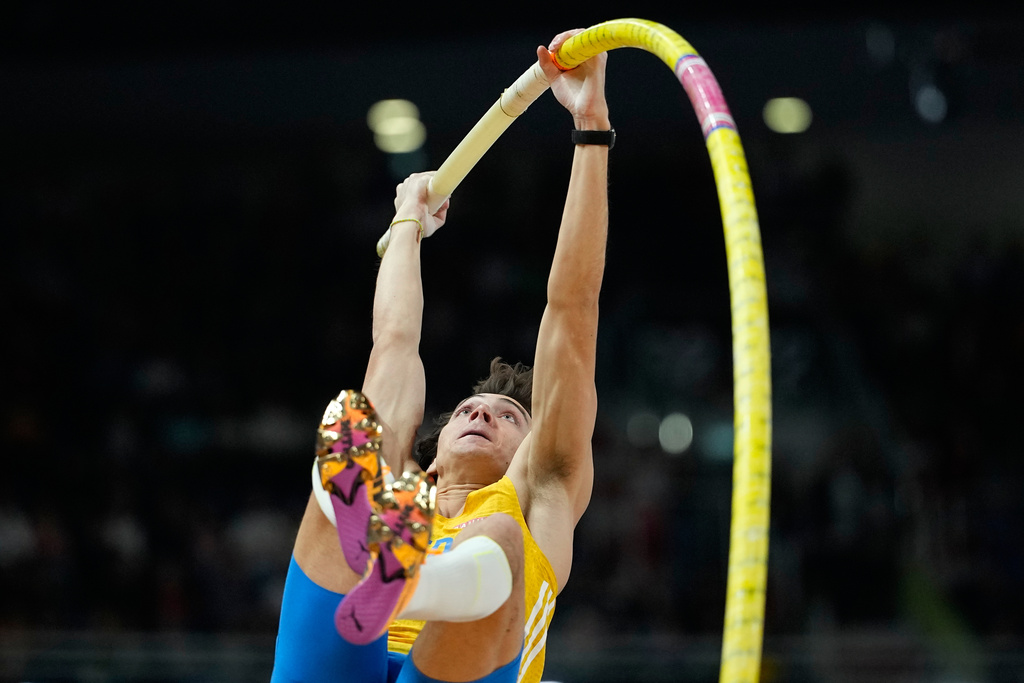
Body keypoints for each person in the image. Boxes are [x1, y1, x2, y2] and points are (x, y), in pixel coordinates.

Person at [271, 28, 611, 683]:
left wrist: (591, 127)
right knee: (356, 427)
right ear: (437, 438)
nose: (483, 412)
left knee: (502, 541)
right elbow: (393, 344)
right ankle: (390, 565)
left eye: (510, 416)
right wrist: (407, 222)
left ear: (532, 446)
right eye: (471, 407)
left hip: (454, 664)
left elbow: (574, 311)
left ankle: (406, 575)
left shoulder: (538, 494)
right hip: (347, 655)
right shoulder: (399, 483)